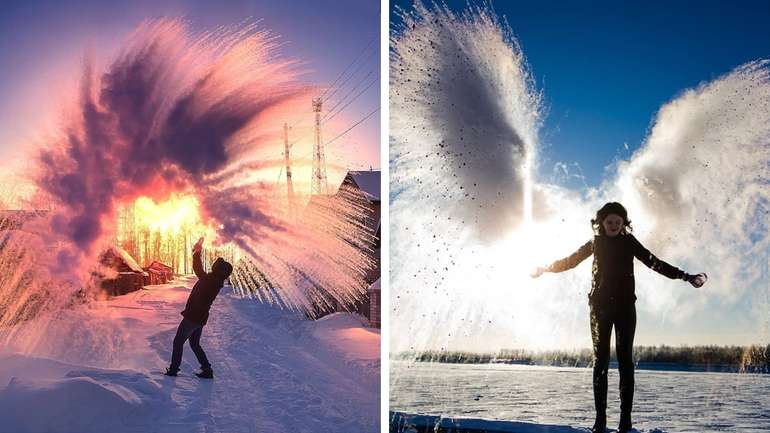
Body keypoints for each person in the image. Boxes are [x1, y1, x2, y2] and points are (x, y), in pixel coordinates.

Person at [531, 202, 706, 433]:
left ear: (623, 224)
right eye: (609, 221)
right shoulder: (595, 243)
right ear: (601, 223)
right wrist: (546, 268)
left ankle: (625, 420)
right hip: (599, 309)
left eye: (618, 222)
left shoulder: (629, 242)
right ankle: (600, 420)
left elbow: (654, 262)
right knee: (600, 362)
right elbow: (571, 260)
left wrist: (685, 276)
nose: (613, 225)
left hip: (625, 308)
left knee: (626, 363)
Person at [165, 236, 233, 379]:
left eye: (218, 265)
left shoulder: (211, 280)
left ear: (220, 271)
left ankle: (173, 369)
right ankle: (207, 369)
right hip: (200, 317)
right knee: (194, 343)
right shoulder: (215, 280)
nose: (215, 264)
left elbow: (197, 268)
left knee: (178, 342)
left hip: (193, 316)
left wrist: (197, 251)